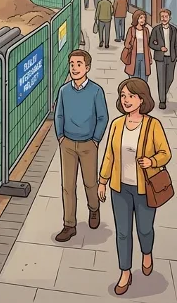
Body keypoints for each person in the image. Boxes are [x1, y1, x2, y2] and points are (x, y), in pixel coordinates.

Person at [98, 78, 172, 296]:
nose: (127, 100)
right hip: (120, 188)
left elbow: (165, 153)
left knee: (144, 229)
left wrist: (152, 161)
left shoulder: (153, 125)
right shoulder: (117, 124)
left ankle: (147, 253)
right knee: (123, 233)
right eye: (123, 96)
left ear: (142, 99)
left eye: (131, 96)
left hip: (144, 188)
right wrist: (102, 181)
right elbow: (109, 155)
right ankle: (125, 272)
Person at [53, 49, 109, 242]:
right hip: (67, 143)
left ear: (87, 67)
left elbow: (103, 117)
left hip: (88, 144)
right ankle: (69, 225)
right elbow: (58, 115)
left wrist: (95, 140)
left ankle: (94, 209)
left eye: (79, 64)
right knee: (67, 186)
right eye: (72, 64)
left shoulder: (96, 91)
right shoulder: (64, 91)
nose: (75, 68)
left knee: (90, 182)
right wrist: (60, 136)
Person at [149, 9, 177, 109]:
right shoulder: (156, 29)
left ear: (169, 17)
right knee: (161, 79)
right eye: (162, 17)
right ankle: (162, 100)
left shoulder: (174, 29)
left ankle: (163, 93)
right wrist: (160, 48)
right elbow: (151, 43)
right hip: (160, 58)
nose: (164, 19)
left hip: (171, 58)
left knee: (170, 78)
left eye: (166, 16)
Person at [123, 10, 152, 82]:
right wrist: (131, 45)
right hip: (134, 56)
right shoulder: (131, 30)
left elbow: (148, 45)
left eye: (144, 18)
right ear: (136, 19)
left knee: (144, 76)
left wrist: (150, 58)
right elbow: (126, 43)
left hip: (144, 56)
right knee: (134, 76)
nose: (143, 20)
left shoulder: (146, 30)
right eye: (141, 18)